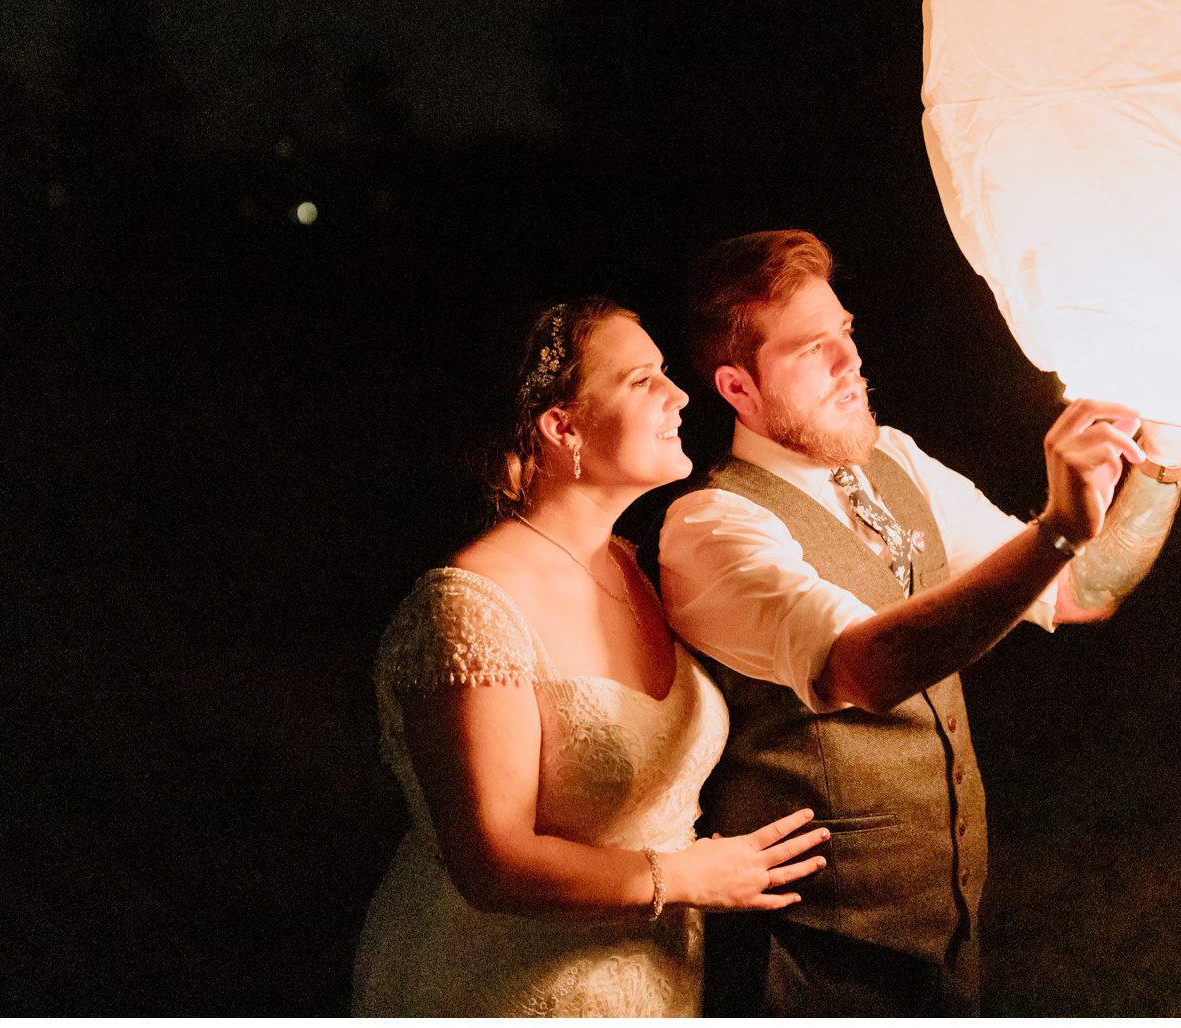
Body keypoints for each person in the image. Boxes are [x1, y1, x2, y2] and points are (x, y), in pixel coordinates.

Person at [659, 231, 1181, 1015]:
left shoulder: (897, 460)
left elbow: (1081, 589)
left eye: (845, 331)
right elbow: (865, 669)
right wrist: (1056, 529)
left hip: (946, 943)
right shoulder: (712, 524)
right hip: (806, 963)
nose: (851, 360)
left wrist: (1167, 453)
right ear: (738, 388)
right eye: (812, 348)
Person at [352, 298, 830, 1016]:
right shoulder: (468, 605)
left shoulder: (639, 567)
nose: (679, 395)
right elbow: (492, 862)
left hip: (650, 980)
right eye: (643, 381)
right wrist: (685, 878)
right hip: (500, 984)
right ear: (562, 427)